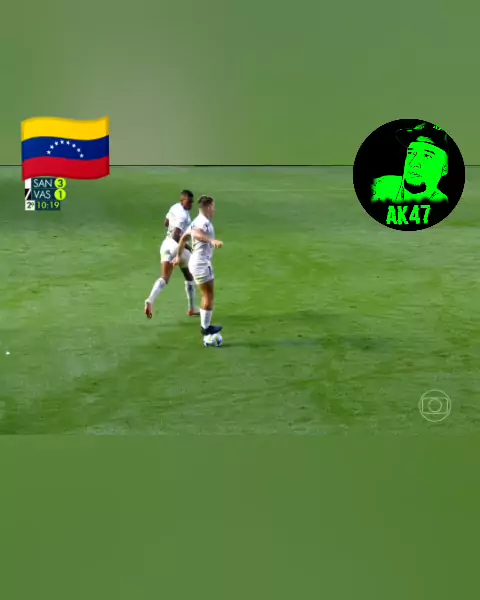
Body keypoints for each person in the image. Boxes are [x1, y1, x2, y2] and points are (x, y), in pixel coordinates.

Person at [144, 190, 199, 319]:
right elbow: (176, 236)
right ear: (182, 200)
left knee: (165, 277)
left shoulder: (174, 207)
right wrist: (188, 248)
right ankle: (192, 308)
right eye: (188, 202)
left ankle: (150, 300)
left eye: (192, 202)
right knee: (190, 275)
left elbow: (166, 223)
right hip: (176, 246)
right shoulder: (184, 216)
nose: (191, 204)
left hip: (166, 245)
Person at [173, 195, 223, 336]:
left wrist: (178, 256)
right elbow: (196, 234)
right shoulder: (203, 223)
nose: (214, 210)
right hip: (201, 263)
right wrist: (211, 240)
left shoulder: (195, 221)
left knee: (206, 295)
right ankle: (205, 328)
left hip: (196, 262)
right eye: (213, 207)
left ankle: (205, 326)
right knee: (208, 295)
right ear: (208, 207)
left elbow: (183, 238)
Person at [372, 122, 449, 202]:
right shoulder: (380, 187)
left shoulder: (444, 204)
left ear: (444, 168)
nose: (413, 163)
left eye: (427, 155)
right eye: (411, 153)